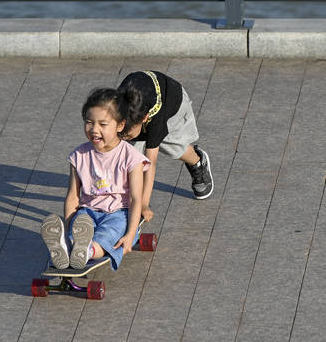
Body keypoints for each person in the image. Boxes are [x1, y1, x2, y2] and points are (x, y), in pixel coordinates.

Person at [41, 87, 150, 270]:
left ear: (120, 125)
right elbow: (73, 197)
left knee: (108, 236)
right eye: (89, 122)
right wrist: (68, 226)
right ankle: (67, 245)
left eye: (103, 124)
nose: (94, 129)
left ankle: (87, 251)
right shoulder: (79, 155)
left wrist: (131, 234)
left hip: (119, 213)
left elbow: (135, 198)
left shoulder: (131, 157)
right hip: (87, 213)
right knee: (78, 230)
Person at [117, 71, 213, 221]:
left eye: (127, 134)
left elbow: (151, 164)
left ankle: (198, 161)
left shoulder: (155, 121)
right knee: (130, 153)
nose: (123, 137)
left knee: (173, 147)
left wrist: (144, 205)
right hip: (145, 101)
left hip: (174, 104)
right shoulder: (118, 105)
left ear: (144, 119)